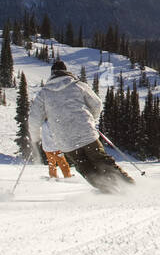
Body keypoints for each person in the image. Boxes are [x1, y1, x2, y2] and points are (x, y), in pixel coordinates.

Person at [30, 59, 133, 193]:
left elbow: (34, 119)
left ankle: (108, 190)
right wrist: (91, 119)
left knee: (84, 167)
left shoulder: (44, 93)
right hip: (87, 134)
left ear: (52, 74)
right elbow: (97, 104)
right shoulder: (78, 85)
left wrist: (35, 138)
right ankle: (130, 186)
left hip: (66, 141)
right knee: (102, 160)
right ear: (66, 71)